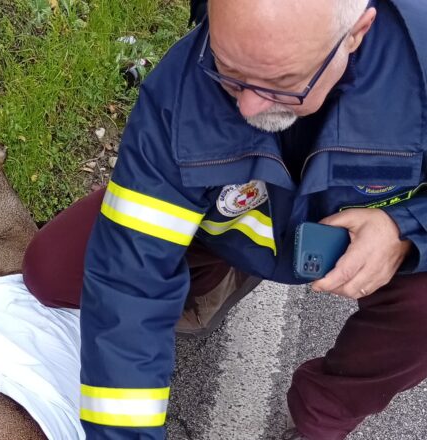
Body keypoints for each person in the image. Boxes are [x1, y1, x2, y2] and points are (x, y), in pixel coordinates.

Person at [21, 0, 427, 439]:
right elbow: (128, 276)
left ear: (357, 32)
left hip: (364, 245)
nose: (250, 107)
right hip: (225, 229)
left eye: (282, 83)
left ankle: (324, 417)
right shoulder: (180, 90)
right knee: (53, 271)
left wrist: (406, 228)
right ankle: (214, 275)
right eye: (230, 72)